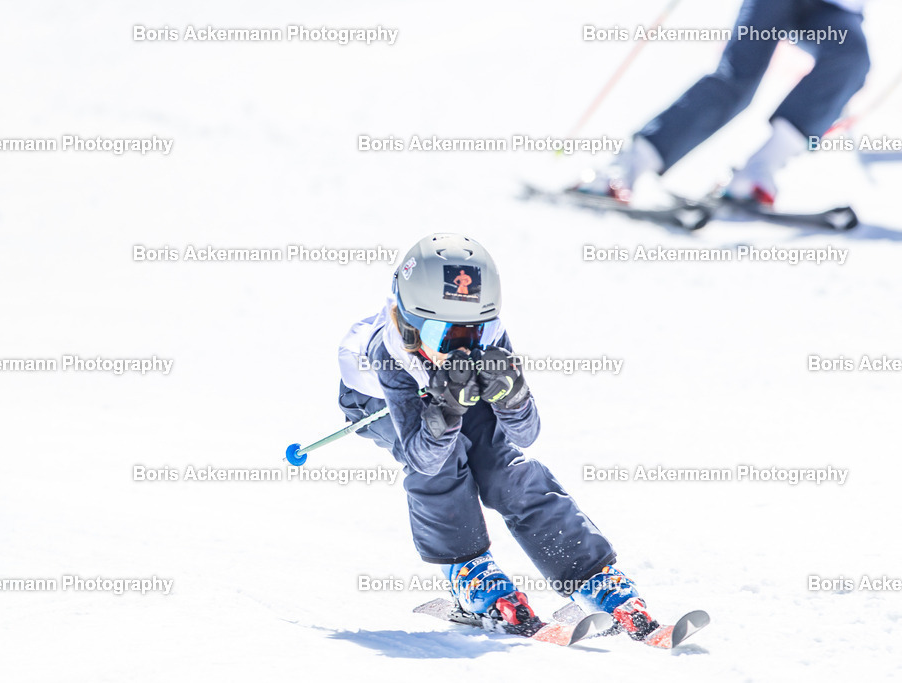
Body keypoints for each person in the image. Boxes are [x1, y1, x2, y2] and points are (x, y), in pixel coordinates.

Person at [336, 233, 659, 639]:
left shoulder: (486, 342)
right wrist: (446, 409)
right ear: (409, 324)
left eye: (473, 332)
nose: (460, 347)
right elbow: (425, 459)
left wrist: (512, 395)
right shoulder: (387, 353)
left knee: (506, 469)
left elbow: (526, 434)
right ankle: (469, 572)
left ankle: (592, 576)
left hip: (451, 391)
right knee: (445, 465)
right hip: (374, 401)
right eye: (442, 335)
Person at [577, 0, 871, 205]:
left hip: (837, 8)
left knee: (851, 60)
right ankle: (626, 165)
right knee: (737, 78)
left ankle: (756, 175)